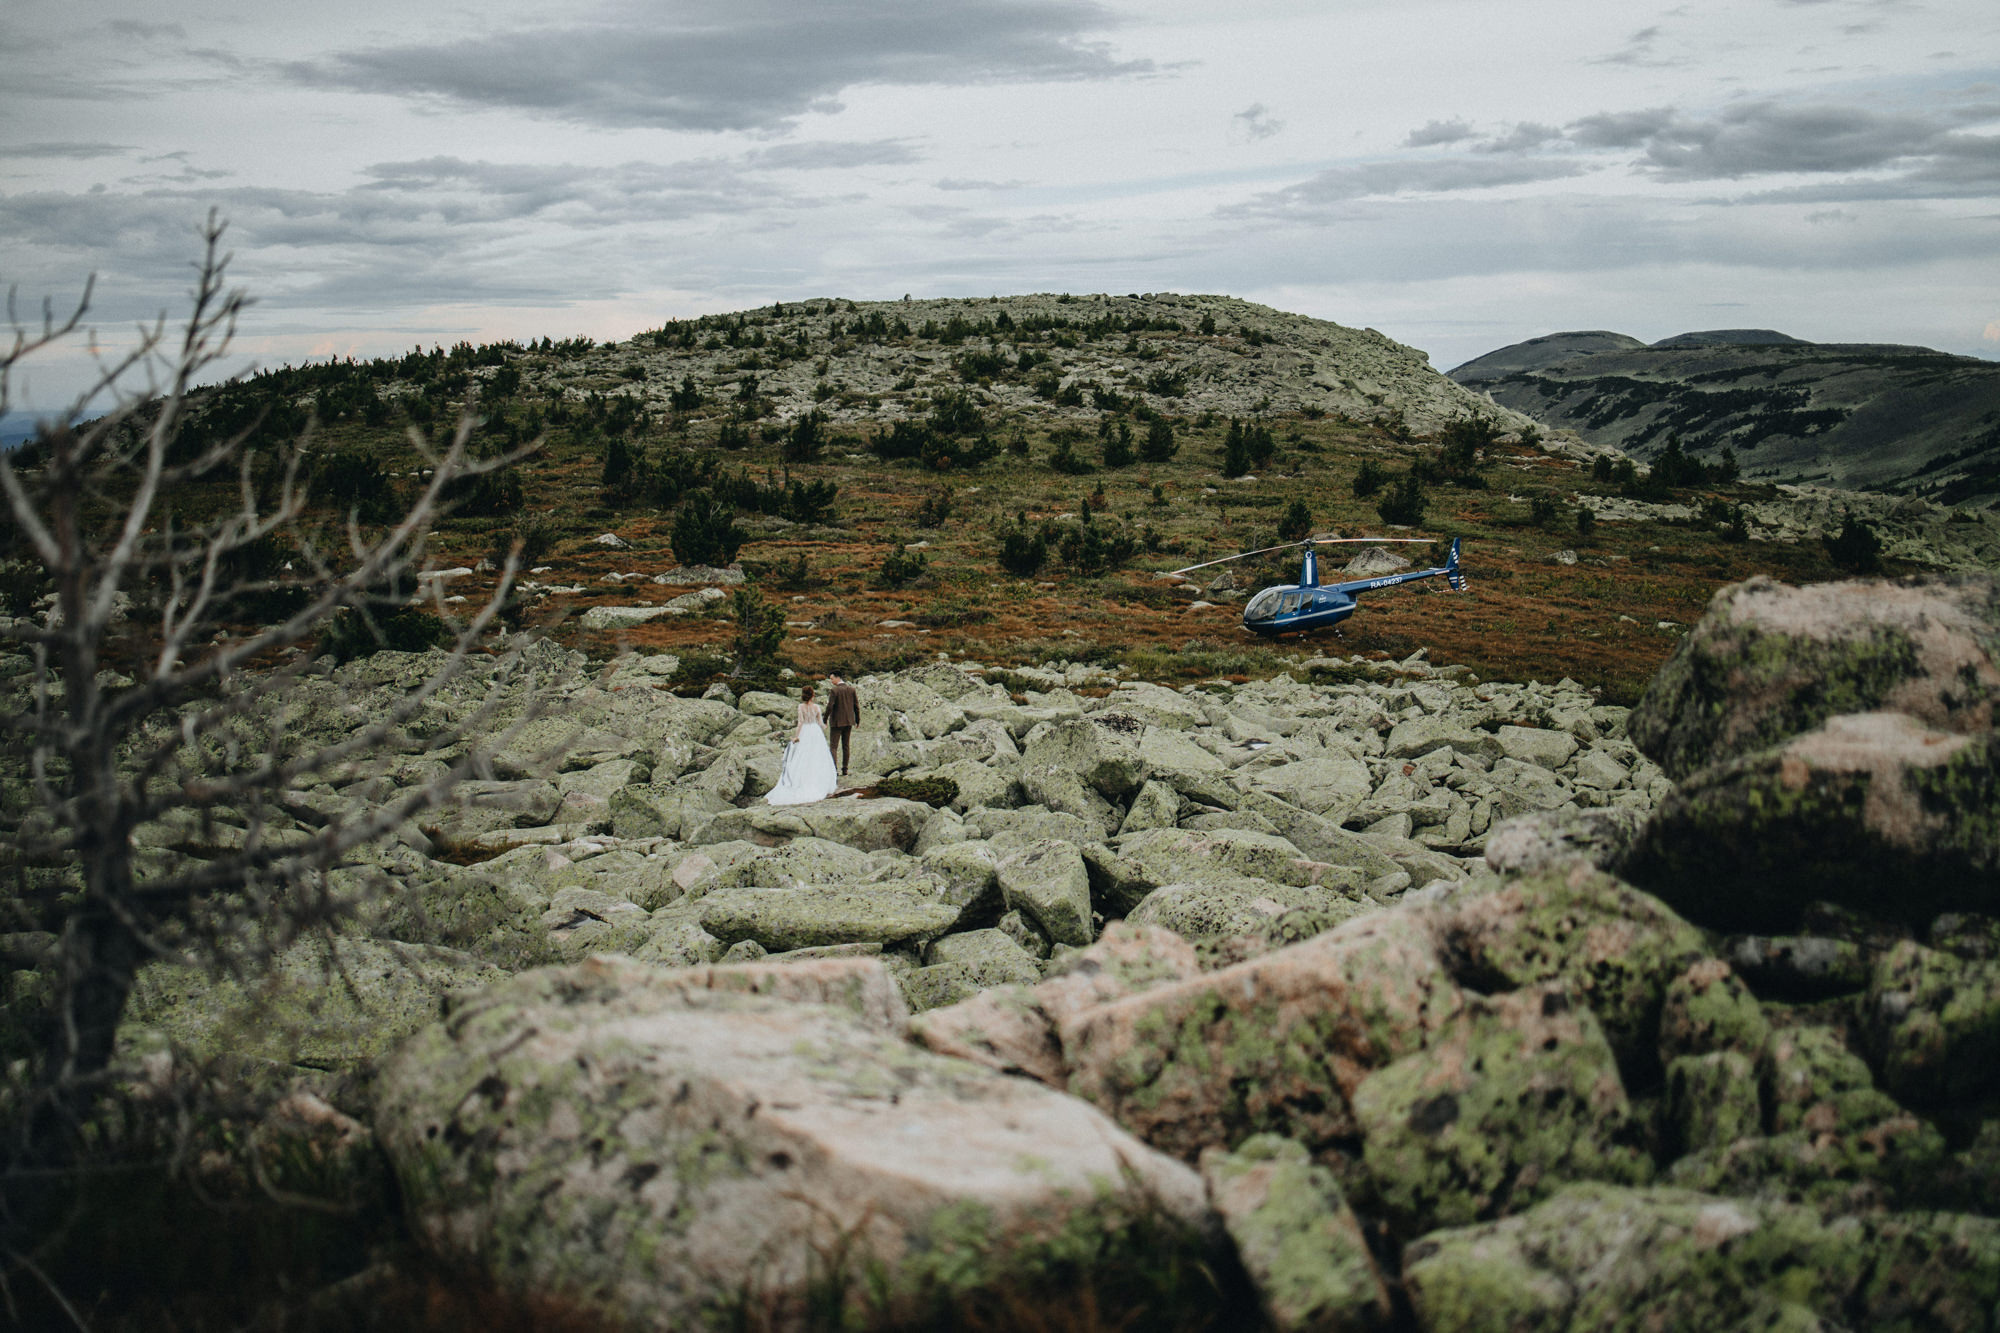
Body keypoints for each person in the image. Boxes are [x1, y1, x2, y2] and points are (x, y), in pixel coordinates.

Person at [765, 685, 839, 805]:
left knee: (803, 756)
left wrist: (796, 736)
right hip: (815, 732)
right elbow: (820, 723)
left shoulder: (801, 707)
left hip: (805, 731)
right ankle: (819, 781)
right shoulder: (816, 707)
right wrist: (825, 726)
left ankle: (801, 780)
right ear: (813, 695)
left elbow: (800, 723)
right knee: (817, 756)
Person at [826, 672, 860, 776]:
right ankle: (845, 769)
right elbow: (856, 706)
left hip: (836, 722)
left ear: (837, 678)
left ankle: (834, 770)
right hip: (849, 721)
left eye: (832, 679)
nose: (831, 681)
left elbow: (830, 706)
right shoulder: (851, 689)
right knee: (846, 745)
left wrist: (825, 718)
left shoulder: (834, 690)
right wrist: (857, 720)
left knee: (833, 746)